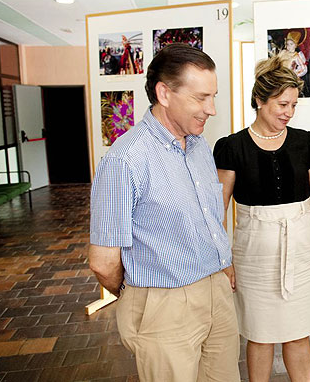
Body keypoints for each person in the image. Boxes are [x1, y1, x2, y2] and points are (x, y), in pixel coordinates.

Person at [89, 43, 240, 382]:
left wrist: (222, 265)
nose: (211, 109)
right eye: (201, 98)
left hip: (216, 291)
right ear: (164, 93)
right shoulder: (125, 159)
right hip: (163, 304)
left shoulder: (199, 146)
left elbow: (208, 218)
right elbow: (103, 262)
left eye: (213, 97)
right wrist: (141, 294)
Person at [213, 56, 310, 382]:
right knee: (260, 332)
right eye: (282, 104)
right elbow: (218, 208)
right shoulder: (231, 147)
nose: (288, 112)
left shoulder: (306, 142)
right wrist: (224, 259)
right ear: (259, 100)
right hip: (253, 254)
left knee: (298, 330)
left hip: (302, 248)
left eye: (293, 105)